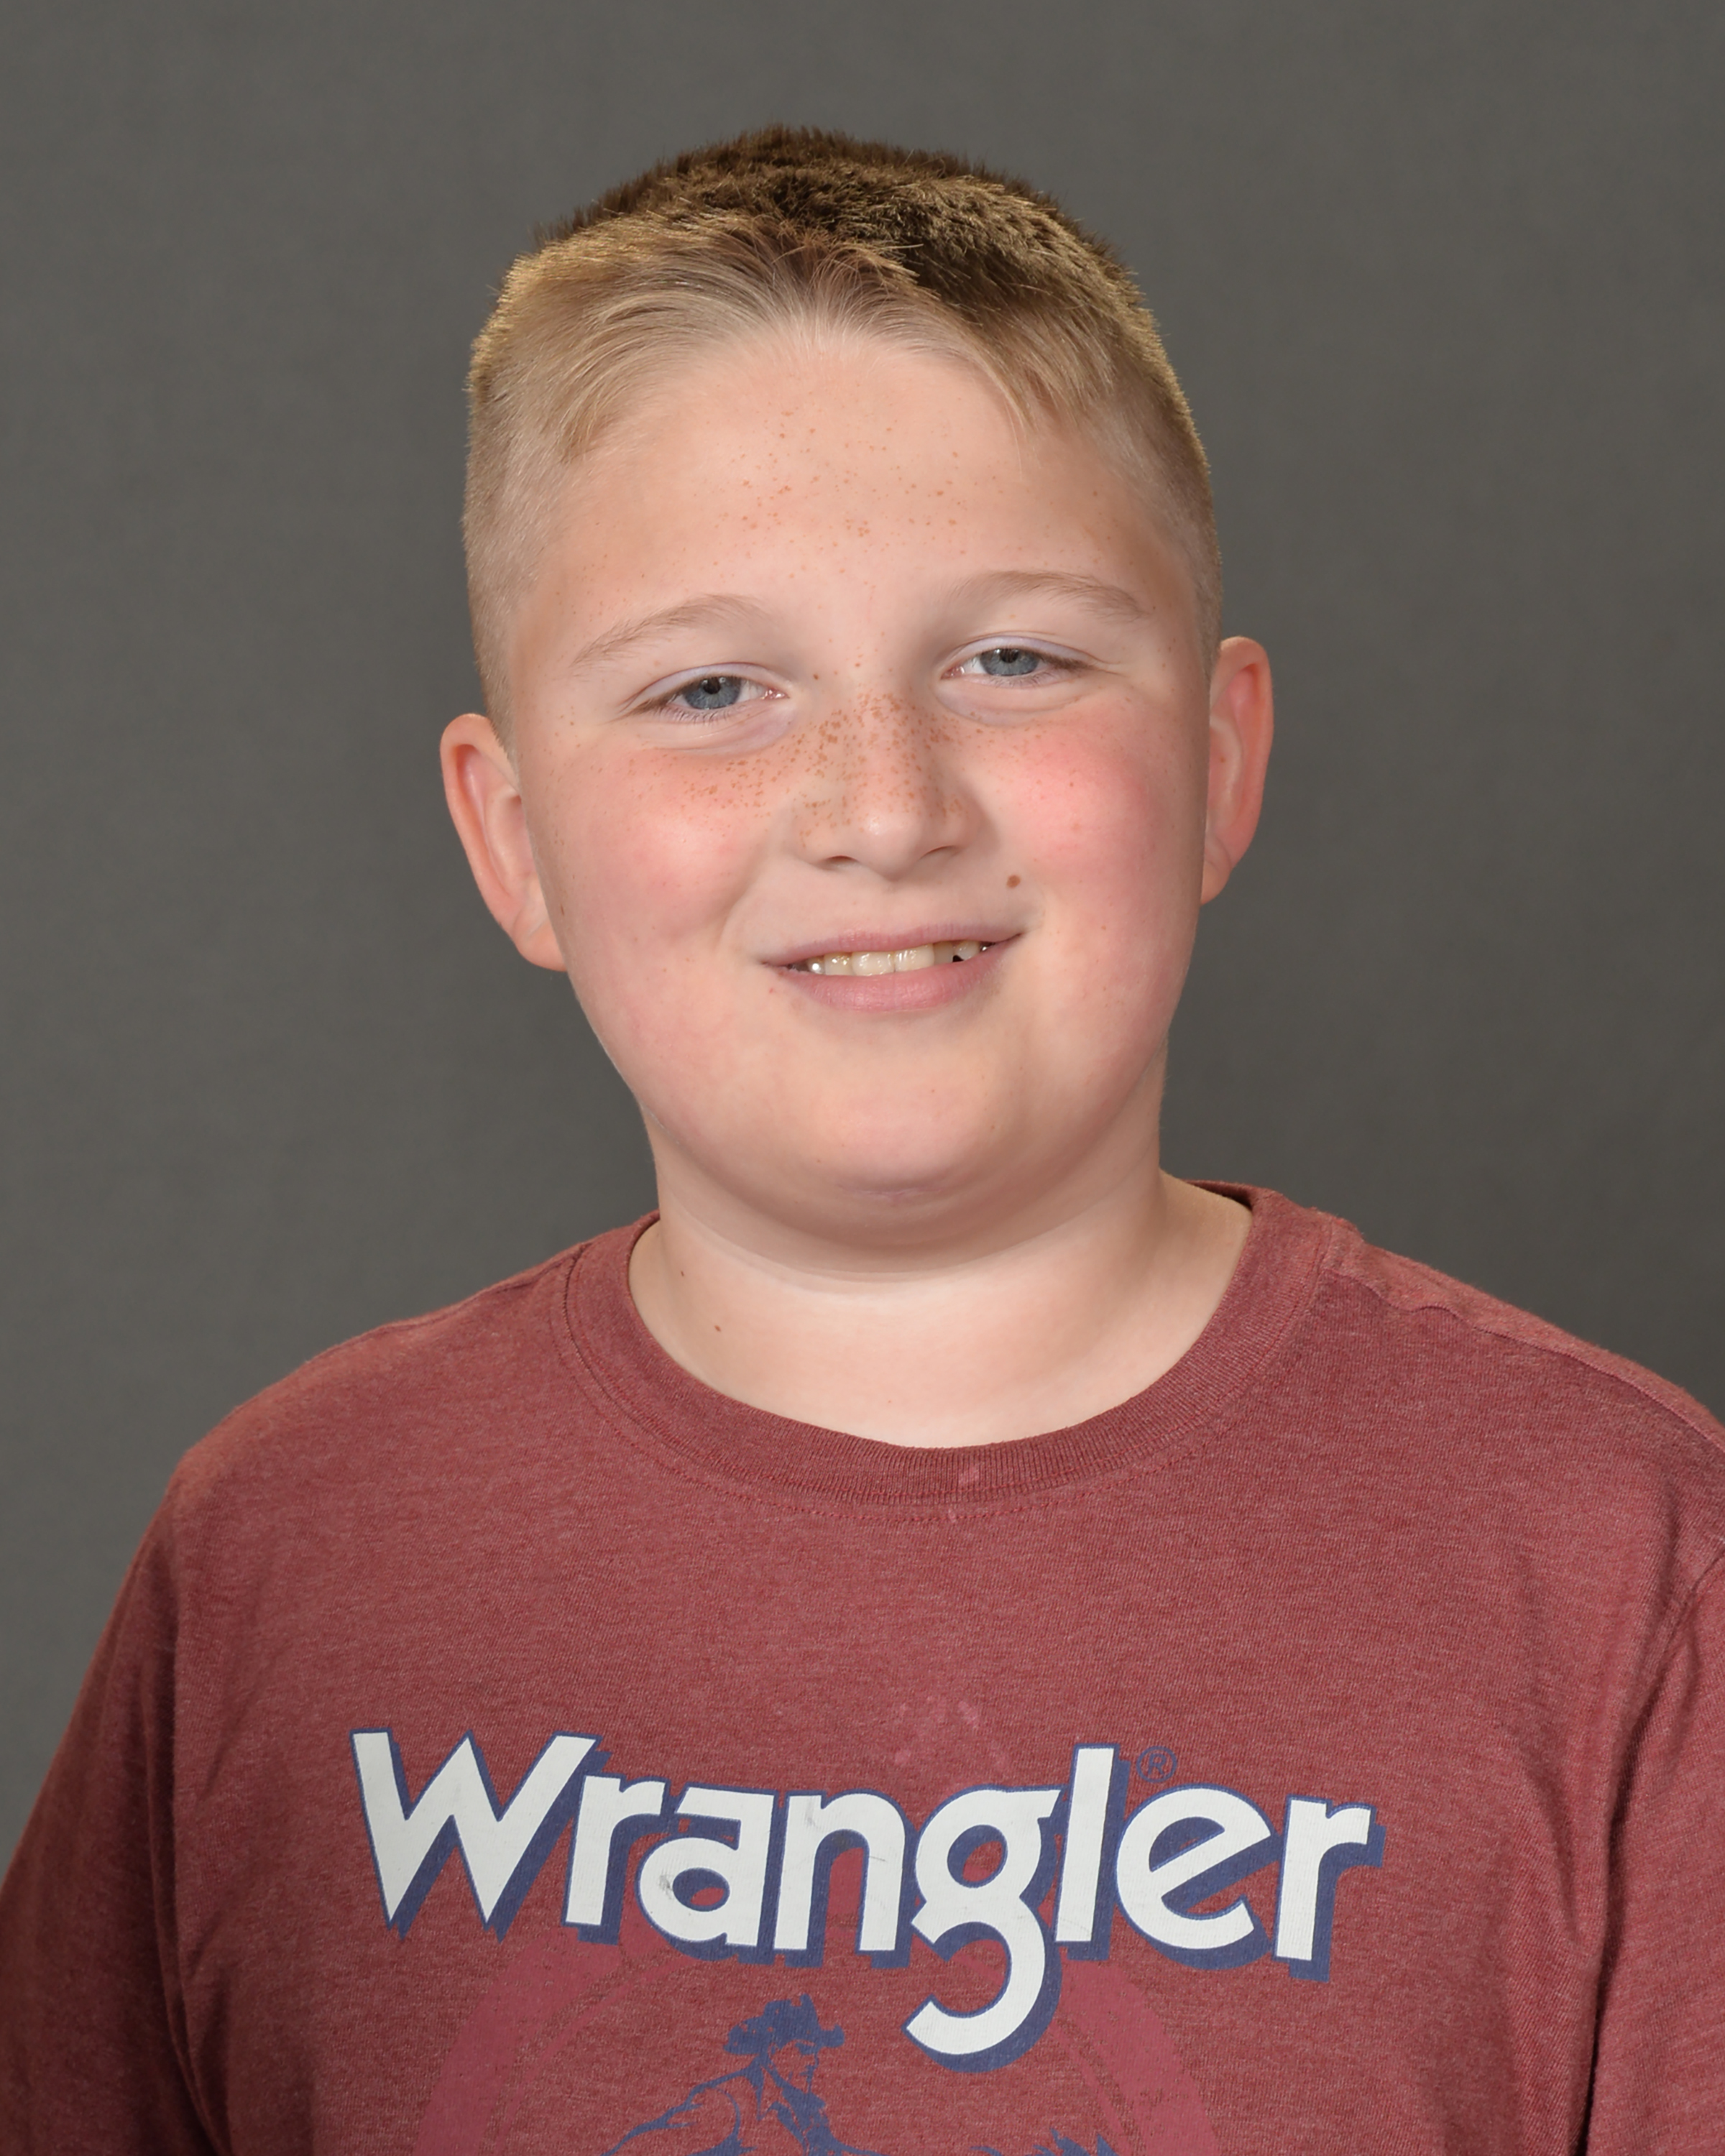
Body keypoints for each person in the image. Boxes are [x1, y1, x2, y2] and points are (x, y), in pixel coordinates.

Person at [1, 127, 1720, 2155]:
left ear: (1218, 760)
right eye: (710, 689)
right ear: (514, 841)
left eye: (1013, 660)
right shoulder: (284, 1560)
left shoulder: (1617, 1562)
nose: (883, 805)